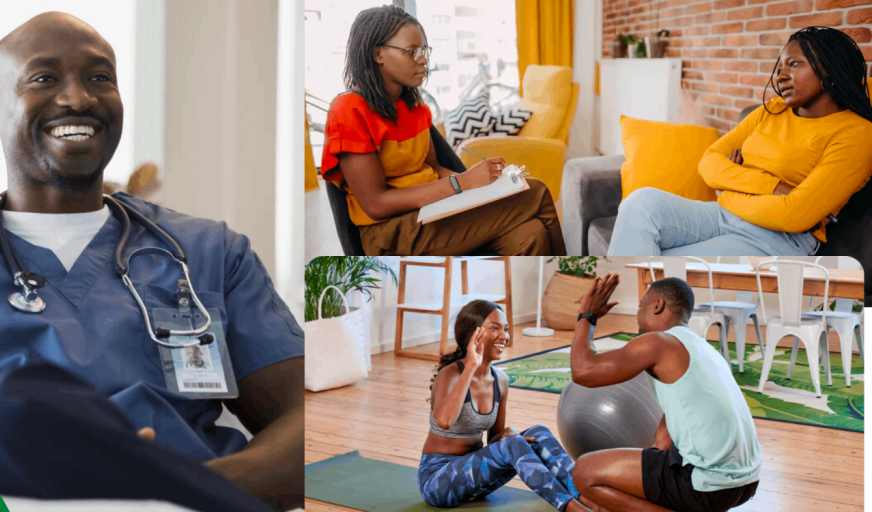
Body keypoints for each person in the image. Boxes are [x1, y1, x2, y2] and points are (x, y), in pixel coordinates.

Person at [0, 12, 302, 512]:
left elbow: (306, 417)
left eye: (100, 78)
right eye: (44, 78)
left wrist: (180, 494)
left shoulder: (208, 252)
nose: (78, 98)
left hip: (194, 504)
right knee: (3, 410)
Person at [320, 5, 565, 256]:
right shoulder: (349, 109)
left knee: (531, 233)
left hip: (434, 212)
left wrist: (485, 185)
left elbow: (434, 169)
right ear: (377, 54)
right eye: (411, 51)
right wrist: (462, 183)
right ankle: (575, 283)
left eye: (423, 50)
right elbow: (376, 204)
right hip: (391, 233)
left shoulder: (415, 107)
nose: (423, 59)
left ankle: (537, 292)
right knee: (536, 191)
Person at [608, 26, 872, 256]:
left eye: (793, 64)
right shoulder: (772, 110)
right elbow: (709, 164)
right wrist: (773, 186)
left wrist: (731, 188)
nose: (780, 77)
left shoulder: (857, 133)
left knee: (661, 270)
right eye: (779, 67)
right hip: (723, 215)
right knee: (640, 203)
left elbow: (795, 215)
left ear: (830, 67)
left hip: (777, 239)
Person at [568, 273, 762, 512]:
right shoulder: (703, 348)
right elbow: (666, 433)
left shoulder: (658, 342)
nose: (637, 315)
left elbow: (582, 371)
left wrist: (587, 315)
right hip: (746, 481)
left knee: (584, 472)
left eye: (641, 306)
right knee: (595, 499)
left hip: (708, 484)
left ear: (657, 305)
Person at [418, 300, 602, 512]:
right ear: (473, 334)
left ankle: (587, 498)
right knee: (514, 444)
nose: (504, 336)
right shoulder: (449, 375)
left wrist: (507, 435)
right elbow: (444, 421)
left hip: (473, 477)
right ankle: (573, 509)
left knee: (538, 433)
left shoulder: (500, 380)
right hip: (438, 483)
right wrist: (471, 367)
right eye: (494, 328)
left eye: (505, 329)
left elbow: (493, 441)